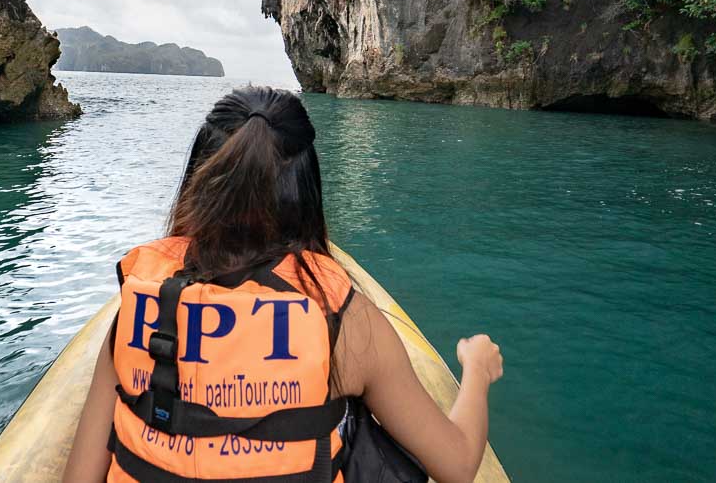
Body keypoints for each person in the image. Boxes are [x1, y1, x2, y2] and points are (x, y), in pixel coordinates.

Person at [64, 86, 503, 483]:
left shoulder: (141, 305)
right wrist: (477, 371)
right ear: (306, 191)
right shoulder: (342, 320)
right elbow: (458, 463)